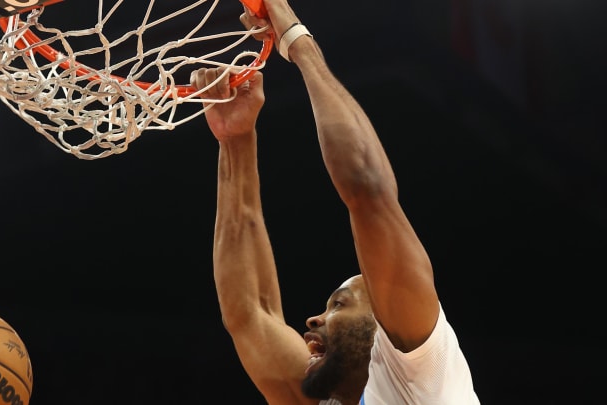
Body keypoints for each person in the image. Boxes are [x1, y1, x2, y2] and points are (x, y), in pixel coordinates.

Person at [189, 0, 481, 403]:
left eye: (335, 305)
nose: (313, 319)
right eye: (337, 304)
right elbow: (250, 313)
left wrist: (298, 44)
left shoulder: (423, 375)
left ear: (389, 321)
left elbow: (367, 189)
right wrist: (236, 141)